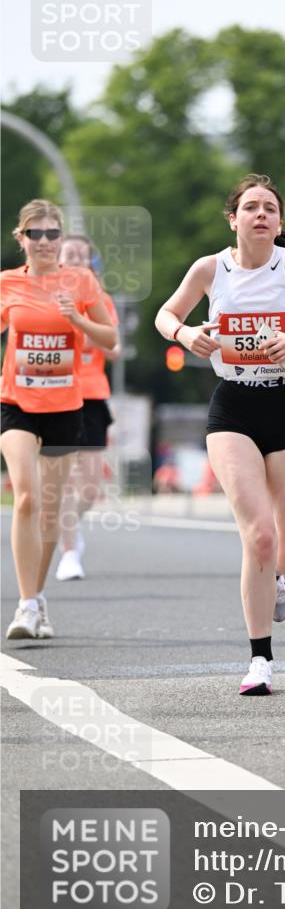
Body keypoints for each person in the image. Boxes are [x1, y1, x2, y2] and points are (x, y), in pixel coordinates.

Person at [155, 174, 285, 696]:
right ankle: (260, 659)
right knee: (258, 534)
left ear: (279, 222)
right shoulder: (209, 269)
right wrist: (186, 332)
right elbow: (165, 313)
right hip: (232, 406)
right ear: (233, 219)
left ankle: (279, 578)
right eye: (251, 207)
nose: (260, 215)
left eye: (270, 208)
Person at [1, 200, 118, 639]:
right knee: (27, 498)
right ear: (22, 239)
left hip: (65, 407)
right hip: (15, 403)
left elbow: (110, 338)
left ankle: (36, 598)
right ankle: (26, 605)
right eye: (37, 234)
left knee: (51, 510)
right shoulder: (7, 284)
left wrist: (78, 320)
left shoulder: (81, 281)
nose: (46, 242)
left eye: (53, 234)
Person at [54, 235, 121, 581]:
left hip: (92, 396)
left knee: (91, 488)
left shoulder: (101, 301)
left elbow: (114, 350)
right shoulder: (44, 297)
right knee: (63, 481)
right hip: (54, 395)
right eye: (70, 255)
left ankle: (70, 529)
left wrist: (82, 327)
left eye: (83, 256)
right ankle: (68, 552)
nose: (77, 261)